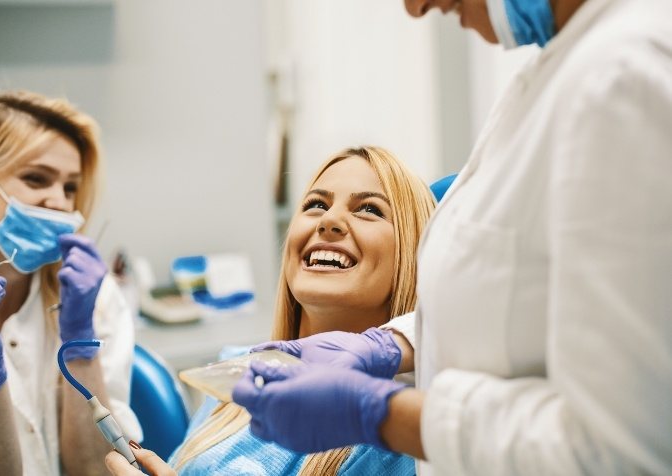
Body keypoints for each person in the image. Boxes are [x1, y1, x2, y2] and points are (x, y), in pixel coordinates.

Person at [230, 0, 672, 475]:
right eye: (315, 203)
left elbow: (627, 451)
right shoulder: (560, 68)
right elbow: (517, 307)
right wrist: (395, 344)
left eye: (370, 210)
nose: (416, 7)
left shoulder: (627, 75)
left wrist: (380, 414)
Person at [104, 146, 437, 475]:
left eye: (369, 210)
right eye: (316, 204)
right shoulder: (236, 374)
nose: (330, 220)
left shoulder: (404, 438)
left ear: (413, 253)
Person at [0, 90, 141, 475]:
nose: (59, 203)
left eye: (69, 187)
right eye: (36, 178)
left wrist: (79, 339)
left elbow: (96, 471)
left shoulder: (93, 295)